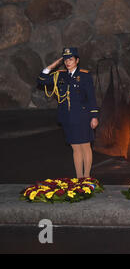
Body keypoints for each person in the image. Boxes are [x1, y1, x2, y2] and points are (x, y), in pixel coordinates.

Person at [37, 48, 99, 178]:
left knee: (85, 146)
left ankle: (87, 177)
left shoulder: (84, 75)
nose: (67, 62)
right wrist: (54, 64)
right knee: (75, 148)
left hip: (83, 115)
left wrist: (94, 116)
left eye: (70, 59)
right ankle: (79, 178)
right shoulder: (60, 75)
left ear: (77, 60)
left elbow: (91, 98)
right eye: (65, 60)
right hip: (67, 116)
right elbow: (41, 80)